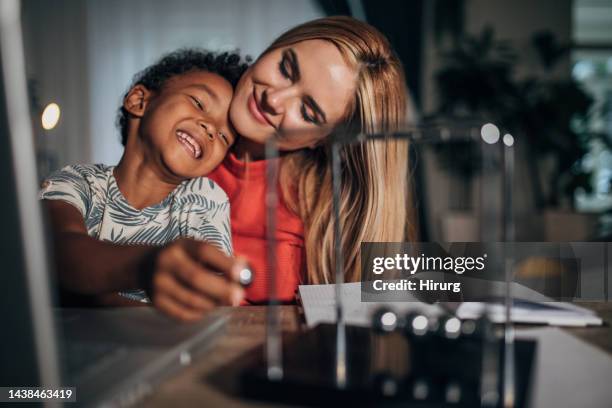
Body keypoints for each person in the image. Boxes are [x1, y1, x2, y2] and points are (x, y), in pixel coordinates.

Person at [209, 16, 415, 304]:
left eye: (308, 112)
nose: (274, 99)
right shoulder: (178, 138)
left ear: (322, 140)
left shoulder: (323, 213)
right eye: (286, 68)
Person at [40, 49, 251, 321]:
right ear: (139, 101)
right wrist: (145, 265)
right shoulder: (76, 181)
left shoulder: (204, 197)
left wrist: (89, 296)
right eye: (199, 103)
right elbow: (59, 251)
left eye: (224, 136)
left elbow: (207, 303)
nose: (211, 129)